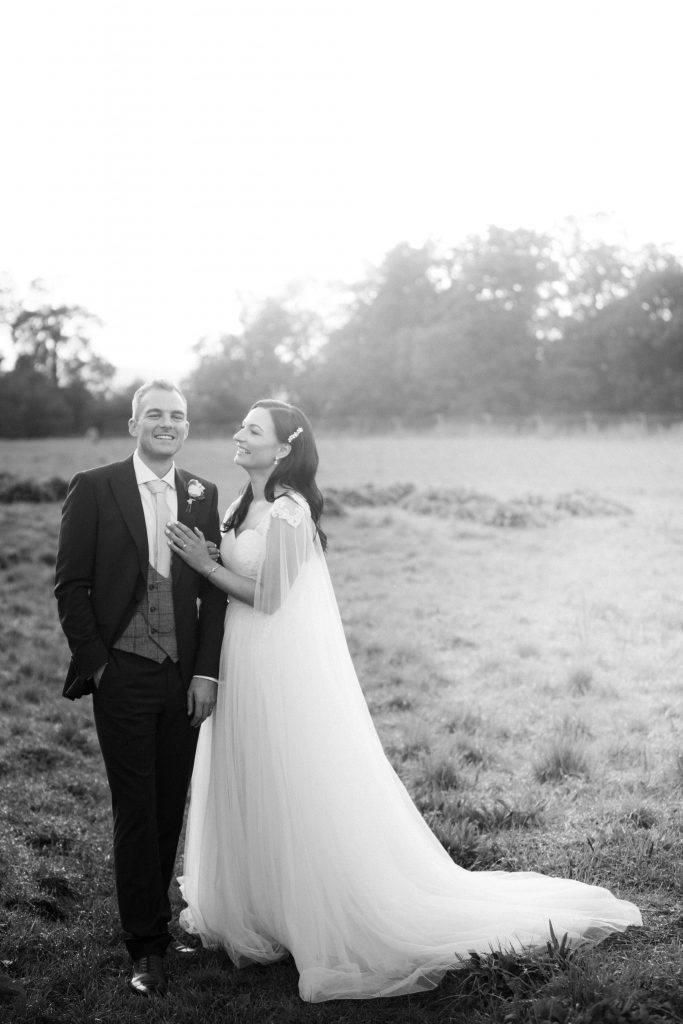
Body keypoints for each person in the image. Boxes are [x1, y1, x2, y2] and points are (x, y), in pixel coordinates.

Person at [166, 399, 641, 1004]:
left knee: (287, 779)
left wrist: (204, 565)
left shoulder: (289, 511)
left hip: (271, 663)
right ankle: (259, 908)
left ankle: (313, 910)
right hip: (240, 658)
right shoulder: (243, 502)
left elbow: (270, 597)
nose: (239, 434)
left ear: (284, 448)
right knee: (248, 775)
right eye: (243, 426)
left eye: (252, 430)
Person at [55, 379, 227, 998]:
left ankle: (157, 917)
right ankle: (146, 946)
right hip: (121, 673)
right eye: (154, 414)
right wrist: (99, 665)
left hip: (183, 679)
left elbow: (212, 593)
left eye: (177, 416)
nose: (166, 424)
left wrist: (205, 672)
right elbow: (71, 585)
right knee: (135, 808)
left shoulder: (202, 493)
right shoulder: (95, 486)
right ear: (133, 425)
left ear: (187, 427)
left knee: (168, 801)